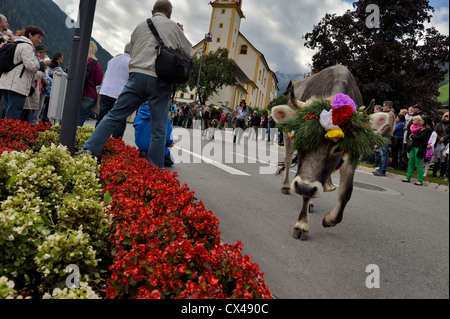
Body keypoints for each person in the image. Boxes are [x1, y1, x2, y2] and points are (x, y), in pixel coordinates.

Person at [79, 0, 194, 170]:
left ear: (153, 11)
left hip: (136, 77)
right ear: (170, 14)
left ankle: (89, 150)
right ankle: (154, 168)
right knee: (158, 126)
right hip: (160, 80)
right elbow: (189, 52)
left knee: (114, 115)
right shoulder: (173, 27)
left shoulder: (140, 26)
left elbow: (132, 51)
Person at [0, 25, 51, 119]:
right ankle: (9, 133)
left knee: (7, 112)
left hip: (7, 83)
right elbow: (31, 66)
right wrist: (42, 64)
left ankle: (4, 132)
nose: (40, 41)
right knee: (13, 114)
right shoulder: (27, 46)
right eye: (38, 37)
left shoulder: (18, 43)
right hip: (17, 85)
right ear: (30, 35)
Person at [95, 43, 131, 139]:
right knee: (120, 120)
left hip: (106, 91)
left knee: (102, 118)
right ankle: (116, 142)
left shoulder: (112, 60)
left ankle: (96, 139)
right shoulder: (131, 63)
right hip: (119, 93)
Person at [134, 102, 174, 167]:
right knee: (171, 161)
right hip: (157, 150)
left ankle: (144, 154)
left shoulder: (139, 114)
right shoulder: (163, 114)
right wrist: (169, 143)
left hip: (142, 147)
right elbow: (168, 138)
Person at [402, 115, 433, 186]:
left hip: (420, 148)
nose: (420, 121)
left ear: (425, 122)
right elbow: (412, 131)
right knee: (411, 163)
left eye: (421, 120)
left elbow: (420, 137)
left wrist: (412, 136)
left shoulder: (428, 130)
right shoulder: (420, 128)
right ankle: (408, 177)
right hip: (413, 146)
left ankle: (420, 180)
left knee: (419, 164)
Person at [78, 41, 103, 126]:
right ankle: (74, 135)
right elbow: (99, 81)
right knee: (81, 116)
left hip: (76, 91)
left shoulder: (79, 60)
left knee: (70, 113)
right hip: (89, 94)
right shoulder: (96, 64)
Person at [373, 101, 395, 177]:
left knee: (384, 153)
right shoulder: (388, 113)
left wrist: (381, 132)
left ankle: (383, 170)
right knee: (382, 152)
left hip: (386, 135)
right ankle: (381, 169)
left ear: (388, 107)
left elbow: (388, 125)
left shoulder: (390, 114)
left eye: (384, 106)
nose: (383, 107)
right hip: (384, 134)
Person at [431, 112, 449, 178]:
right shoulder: (439, 124)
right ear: (443, 116)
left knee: (444, 159)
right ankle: (434, 173)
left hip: (446, 143)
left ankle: (442, 174)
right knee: (437, 158)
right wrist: (439, 138)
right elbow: (435, 132)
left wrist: (444, 138)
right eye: (446, 116)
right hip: (438, 142)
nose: (447, 117)